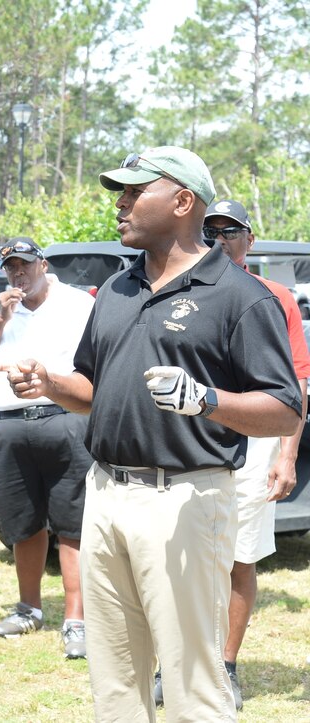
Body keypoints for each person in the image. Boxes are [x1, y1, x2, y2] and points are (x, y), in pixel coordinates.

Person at [0, 146, 302, 721]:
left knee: (190, 683)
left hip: (184, 498)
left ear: (184, 201)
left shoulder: (239, 296)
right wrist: (51, 382)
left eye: (136, 192)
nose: (122, 203)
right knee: (115, 679)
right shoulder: (116, 289)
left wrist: (205, 399)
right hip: (105, 494)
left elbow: (286, 409)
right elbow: (92, 387)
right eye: (121, 191)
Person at [161, 199, 308, 709]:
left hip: (253, 444)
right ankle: (174, 663)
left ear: (251, 240)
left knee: (238, 557)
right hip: (183, 444)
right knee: (177, 556)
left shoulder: (275, 297)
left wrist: (286, 456)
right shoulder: (179, 287)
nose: (220, 237)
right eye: (211, 229)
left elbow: (297, 384)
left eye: (231, 230)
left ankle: (225, 663)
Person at [0, 237, 93, 659]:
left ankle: (76, 620)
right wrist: (1, 318)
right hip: (10, 426)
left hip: (64, 421)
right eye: (10, 268)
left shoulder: (77, 303)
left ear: (43, 264)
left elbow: (97, 362)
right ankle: (29, 608)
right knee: (23, 522)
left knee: (72, 525)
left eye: (25, 265)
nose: (18, 274)